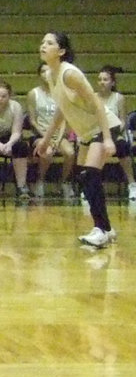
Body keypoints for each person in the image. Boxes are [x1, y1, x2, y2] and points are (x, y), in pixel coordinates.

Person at [35, 33, 120, 248]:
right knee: (84, 177)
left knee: (91, 174)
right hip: (87, 133)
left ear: (61, 51)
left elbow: (98, 104)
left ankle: (100, 229)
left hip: (103, 126)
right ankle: (107, 229)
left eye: (50, 43)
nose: (43, 46)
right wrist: (46, 140)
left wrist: (108, 139)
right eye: (43, 42)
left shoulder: (70, 74)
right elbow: (61, 111)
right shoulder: (51, 76)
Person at [27, 63, 75, 200]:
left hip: (59, 135)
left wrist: (58, 138)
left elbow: (65, 119)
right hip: (40, 133)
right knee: (46, 152)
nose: (46, 74)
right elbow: (32, 120)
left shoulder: (62, 93)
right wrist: (46, 137)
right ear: (39, 75)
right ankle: (40, 181)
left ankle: (64, 182)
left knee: (70, 152)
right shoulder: (33, 94)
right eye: (43, 71)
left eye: (49, 71)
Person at [96, 66, 136, 202]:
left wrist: (114, 133)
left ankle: (132, 184)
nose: (102, 82)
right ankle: (92, 186)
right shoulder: (93, 98)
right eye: (100, 79)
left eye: (105, 79)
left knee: (122, 146)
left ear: (112, 83)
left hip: (115, 133)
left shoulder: (119, 98)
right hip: (97, 133)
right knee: (92, 147)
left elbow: (123, 121)